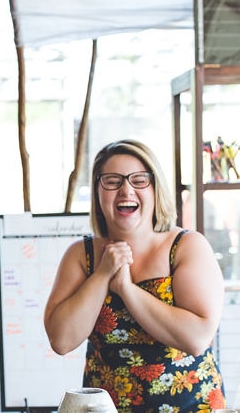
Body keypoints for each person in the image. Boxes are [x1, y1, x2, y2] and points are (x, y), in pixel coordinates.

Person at [44, 139, 226, 412]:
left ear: (155, 189)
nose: (126, 190)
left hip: (192, 405)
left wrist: (127, 290)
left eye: (139, 180)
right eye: (112, 181)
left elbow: (197, 338)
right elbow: (61, 340)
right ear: (97, 191)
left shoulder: (186, 247)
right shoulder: (82, 256)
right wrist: (102, 274)